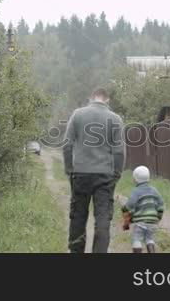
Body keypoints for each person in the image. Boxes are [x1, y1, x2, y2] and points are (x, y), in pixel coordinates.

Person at [63, 87, 125, 253]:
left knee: (78, 216)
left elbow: (67, 145)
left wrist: (69, 169)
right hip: (105, 175)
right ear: (107, 100)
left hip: (81, 173)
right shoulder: (115, 119)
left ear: (91, 98)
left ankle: (76, 251)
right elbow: (119, 151)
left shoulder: (77, 114)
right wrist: (116, 173)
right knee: (103, 217)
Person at [122, 166, 165, 253]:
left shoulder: (136, 191)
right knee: (149, 239)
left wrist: (124, 209)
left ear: (135, 179)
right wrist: (158, 217)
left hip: (140, 222)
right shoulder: (154, 190)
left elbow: (130, 205)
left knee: (136, 239)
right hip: (152, 222)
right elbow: (161, 204)